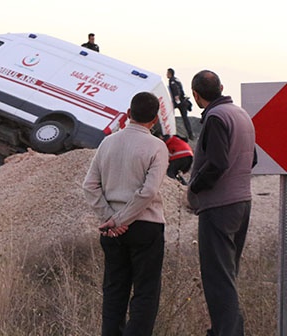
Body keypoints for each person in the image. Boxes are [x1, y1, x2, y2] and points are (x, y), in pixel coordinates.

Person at [83, 91, 168, 336]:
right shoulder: (157, 147)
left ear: (128, 114)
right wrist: (122, 220)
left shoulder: (107, 142)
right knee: (145, 292)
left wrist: (110, 218)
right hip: (146, 225)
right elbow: (148, 191)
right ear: (154, 120)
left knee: (114, 290)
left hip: (110, 229)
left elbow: (89, 185)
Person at [187, 70, 257, 336]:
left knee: (218, 278)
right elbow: (252, 159)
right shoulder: (241, 115)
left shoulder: (216, 118)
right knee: (227, 275)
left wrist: (194, 186)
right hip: (243, 202)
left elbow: (216, 163)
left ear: (195, 94)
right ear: (221, 87)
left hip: (219, 207)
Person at [167, 68, 194, 140]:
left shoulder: (172, 80)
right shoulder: (177, 79)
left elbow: (175, 90)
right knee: (185, 118)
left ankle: (170, 132)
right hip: (183, 101)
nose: (166, 75)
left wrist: (177, 99)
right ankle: (190, 134)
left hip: (179, 102)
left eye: (167, 73)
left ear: (170, 73)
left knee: (169, 114)